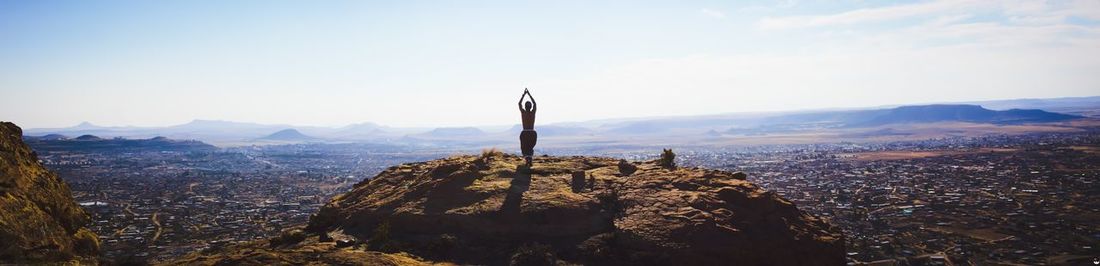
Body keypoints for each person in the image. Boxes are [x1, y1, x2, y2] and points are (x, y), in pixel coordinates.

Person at [518, 88, 537, 166]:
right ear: (531, 106)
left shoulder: (523, 112)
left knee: (524, 148)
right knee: (530, 148)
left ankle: (527, 160)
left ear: (525, 107)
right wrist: (529, 94)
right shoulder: (533, 113)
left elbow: (519, 104)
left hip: (525, 132)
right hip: (532, 132)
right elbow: (535, 104)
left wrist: (523, 95)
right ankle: (529, 160)